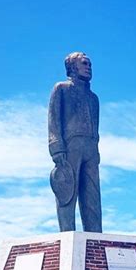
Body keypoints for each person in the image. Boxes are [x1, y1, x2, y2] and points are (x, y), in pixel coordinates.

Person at [48, 52, 102, 232]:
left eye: (90, 65)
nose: (89, 67)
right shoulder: (61, 89)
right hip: (71, 145)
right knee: (67, 191)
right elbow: (54, 118)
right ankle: (67, 233)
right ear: (72, 67)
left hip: (91, 147)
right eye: (85, 64)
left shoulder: (94, 98)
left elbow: (96, 124)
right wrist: (56, 146)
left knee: (92, 196)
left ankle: (95, 235)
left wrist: (96, 147)